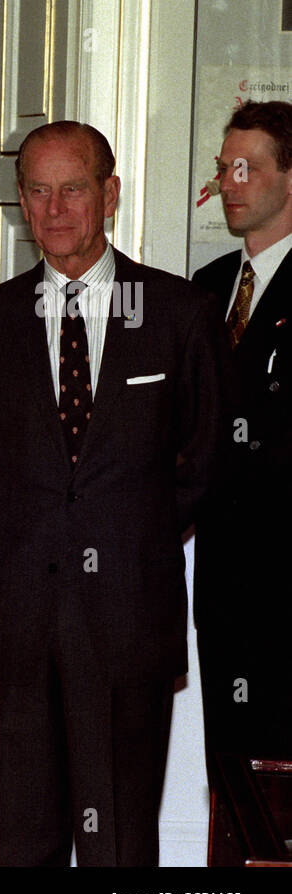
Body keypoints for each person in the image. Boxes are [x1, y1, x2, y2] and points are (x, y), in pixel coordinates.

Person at [0, 121, 226, 866]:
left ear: (110, 194)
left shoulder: (176, 313)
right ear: (21, 204)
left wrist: (133, 533)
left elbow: (206, 455)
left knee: (123, 835)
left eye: (72, 188)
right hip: (16, 618)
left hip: (130, 615)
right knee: (26, 831)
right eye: (37, 190)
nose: (55, 208)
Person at [192, 100, 292, 777]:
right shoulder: (206, 289)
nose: (230, 182)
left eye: (247, 168)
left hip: (288, 577)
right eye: (225, 167)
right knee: (230, 762)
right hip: (222, 578)